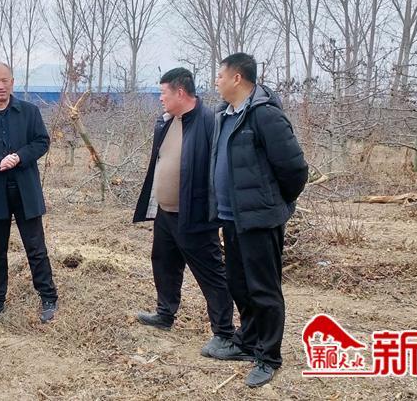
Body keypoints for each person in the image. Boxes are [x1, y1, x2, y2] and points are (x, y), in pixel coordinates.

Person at [207, 53, 309, 388]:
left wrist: (274, 204)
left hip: (259, 220)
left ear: (237, 78)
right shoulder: (225, 115)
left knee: (264, 289)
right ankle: (248, 342)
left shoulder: (264, 115)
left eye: (220, 75)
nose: (216, 81)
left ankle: (268, 356)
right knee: (239, 283)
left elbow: (294, 169)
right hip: (231, 218)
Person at [132, 67, 236, 358]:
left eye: (163, 93)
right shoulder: (167, 121)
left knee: (210, 273)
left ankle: (224, 333)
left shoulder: (209, 122)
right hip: (166, 213)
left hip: (195, 214)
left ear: (180, 92)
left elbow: (221, 169)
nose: (160, 99)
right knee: (164, 263)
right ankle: (165, 314)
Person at [0, 62, 59, 322]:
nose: (0, 86)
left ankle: (48, 297)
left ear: (12, 82)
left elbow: (42, 141)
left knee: (36, 247)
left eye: (5, 80)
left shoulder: (29, 112)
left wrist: (19, 156)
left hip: (25, 189)